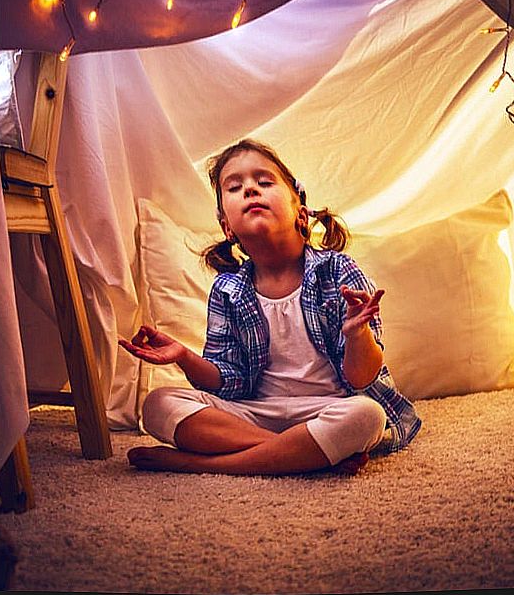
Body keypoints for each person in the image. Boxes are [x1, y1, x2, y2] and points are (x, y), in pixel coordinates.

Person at [120, 138, 421, 475]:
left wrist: (356, 334)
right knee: (158, 405)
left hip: (327, 408)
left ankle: (202, 463)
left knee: (366, 417)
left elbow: (362, 377)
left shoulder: (338, 271)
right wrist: (184, 357)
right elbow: (230, 380)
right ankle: (300, 453)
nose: (250, 189)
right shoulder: (228, 289)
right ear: (227, 227)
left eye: (264, 182)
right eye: (235, 187)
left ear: (301, 214)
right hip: (254, 411)